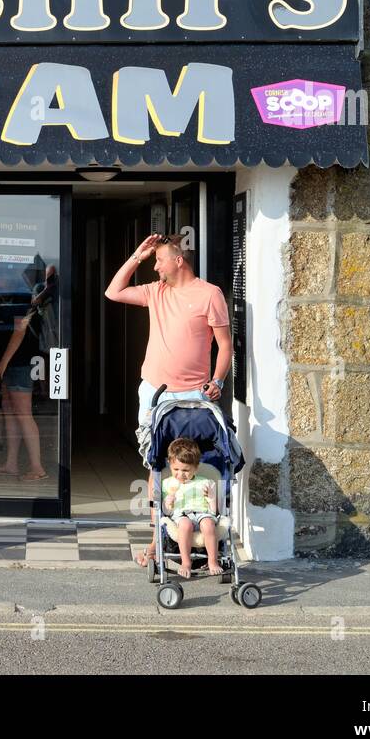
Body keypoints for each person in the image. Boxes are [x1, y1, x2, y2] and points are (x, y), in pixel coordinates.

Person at [105, 232, 231, 566]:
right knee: (156, 463)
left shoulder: (209, 294)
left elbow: (225, 345)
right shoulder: (156, 291)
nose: (155, 266)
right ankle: (156, 539)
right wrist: (138, 255)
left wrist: (218, 381)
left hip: (193, 395)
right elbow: (113, 291)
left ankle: (199, 532)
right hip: (154, 391)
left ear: (179, 260)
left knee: (194, 463)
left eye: (159, 260)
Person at [0, 262, 58, 481]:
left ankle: (37, 468)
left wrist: (3, 363)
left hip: (19, 363)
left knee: (23, 414)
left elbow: (19, 332)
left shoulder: (19, 298)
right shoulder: (13, 299)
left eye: (0, 278)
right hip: (12, 364)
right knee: (10, 412)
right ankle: (11, 464)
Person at [161, 437, 223, 578]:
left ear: (196, 468)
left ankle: (212, 561)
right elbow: (166, 513)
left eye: (186, 470)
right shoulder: (167, 483)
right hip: (181, 515)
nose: (180, 474)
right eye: (176, 469)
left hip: (202, 513)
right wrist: (168, 502)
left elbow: (214, 511)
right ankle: (186, 562)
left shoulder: (206, 482)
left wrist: (211, 497)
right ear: (170, 464)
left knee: (208, 524)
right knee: (185, 524)